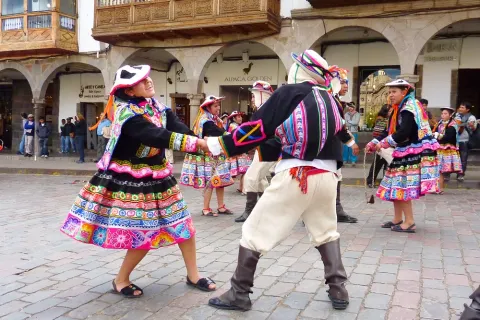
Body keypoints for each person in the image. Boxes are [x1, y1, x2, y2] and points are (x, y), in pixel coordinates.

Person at [207, 50, 350, 312]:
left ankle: (239, 292)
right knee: (326, 230)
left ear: (301, 70)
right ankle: (338, 288)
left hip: (296, 175)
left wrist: (221, 145)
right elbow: (341, 137)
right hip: (328, 177)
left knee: (254, 232)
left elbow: (257, 128)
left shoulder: (289, 92)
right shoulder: (331, 99)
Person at [60, 64, 216, 298]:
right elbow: (155, 136)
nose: (149, 82)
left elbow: (178, 129)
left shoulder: (158, 108)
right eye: (142, 81)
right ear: (130, 91)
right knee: (142, 233)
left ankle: (193, 275)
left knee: (184, 224)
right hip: (131, 180)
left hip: (159, 176)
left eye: (148, 78)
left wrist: (207, 144)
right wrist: (198, 145)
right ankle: (121, 279)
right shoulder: (127, 114)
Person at [366, 79, 440, 233]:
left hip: (411, 152)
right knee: (396, 186)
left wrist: (384, 143)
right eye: (389, 92)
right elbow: (390, 131)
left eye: (394, 92)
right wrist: (373, 142)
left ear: (404, 92)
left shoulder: (409, 107)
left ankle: (410, 221)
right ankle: (398, 218)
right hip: (403, 151)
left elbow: (404, 132)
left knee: (403, 186)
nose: (391, 95)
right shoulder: (397, 109)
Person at [180, 96, 234, 217]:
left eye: (218, 105)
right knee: (210, 181)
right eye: (215, 106)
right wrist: (231, 135)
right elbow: (215, 131)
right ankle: (205, 208)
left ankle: (221, 206)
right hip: (208, 156)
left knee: (221, 180)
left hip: (217, 154)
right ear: (208, 107)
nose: (218, 108)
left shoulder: (215, 119)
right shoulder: (205, 120)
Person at [235, 81, 275, 223]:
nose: (252, 99)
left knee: (251, 177)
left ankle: (250, 211)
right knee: (261, 181)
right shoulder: (263, 110)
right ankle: (266, 211)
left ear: (263, 95)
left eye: (254, 95)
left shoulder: (269, 110)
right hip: (263, 149)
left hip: (269, 149)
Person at [329, 66, 360, 224]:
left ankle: (336, 209)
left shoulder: (335, 100)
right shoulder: (329, 99)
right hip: (325, 148)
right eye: (342, 82)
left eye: (347, 82)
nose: (346, 86)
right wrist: (352, 142)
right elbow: (338, 126)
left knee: (335, 177)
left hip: (332, 146)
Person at [433, 107, 462, 194]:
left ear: (450, 115)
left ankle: (440, 188)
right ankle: (437, 188)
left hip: (446, 150)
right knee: (437, 169)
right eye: (442, 113)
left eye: (445, 113)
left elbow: (449, 137)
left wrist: (439, 136)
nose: (443, 115)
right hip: (439, 149)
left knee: (441, 169)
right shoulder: (440, 123)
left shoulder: (452, 125)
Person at [226, 111, 251, 194]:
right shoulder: (234, 126)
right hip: (239, 151)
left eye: (240, 117)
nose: (240, 118)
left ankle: (241, 187)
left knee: (244, 170)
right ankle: (244, 189)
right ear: (234, 118)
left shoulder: (234, 126)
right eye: (238, 117)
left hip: (238, 151)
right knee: (246, 170)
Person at [366, 104, 391, 187]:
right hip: (380, 146)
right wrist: (376, 143)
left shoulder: (389, 120)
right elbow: (379, 134)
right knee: (377, 165)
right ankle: (370, 181)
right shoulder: (383, 121)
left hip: (386, 145)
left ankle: (385, 182)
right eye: (390, 111)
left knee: (386, 165)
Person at [454, 102, 477, 182]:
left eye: (463, 107)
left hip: (464, 141)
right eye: (460, 107)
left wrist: (472, 126)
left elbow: (473, 129)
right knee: (451, 158)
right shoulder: (456, 116)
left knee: (463, 159)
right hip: (455, 140)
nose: (460, 109)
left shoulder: (471, 117)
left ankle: (461, 174)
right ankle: (447, 173)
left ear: (467, 109)